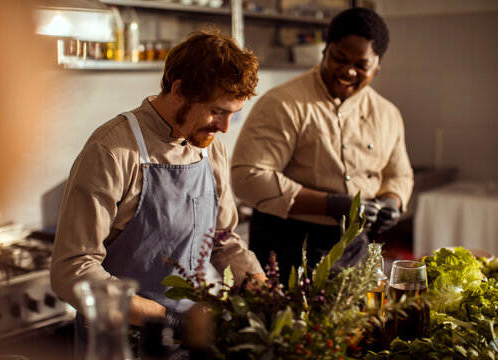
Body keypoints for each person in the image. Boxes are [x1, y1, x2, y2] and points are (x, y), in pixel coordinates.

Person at [50, 29, 266, 358]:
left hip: (194, 337)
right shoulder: (112, 150)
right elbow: (73, 269)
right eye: (218, 111)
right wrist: (165, 319)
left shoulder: (210, 149)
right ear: (178, 90)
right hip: (123, 340)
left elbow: (223, 238)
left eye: (232, 114)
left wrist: (261, 288)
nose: (224, 127)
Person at [230, 7, 414, 284]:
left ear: (377, 67)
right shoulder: (283, 103)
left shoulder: (387, 113)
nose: (349, 71)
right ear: (325, 50)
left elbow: (399, 174)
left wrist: (392, 201)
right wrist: (329, 204)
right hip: (286, 247)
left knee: (354, 327)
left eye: (362, 65)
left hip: (354, 250)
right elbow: (247, 178)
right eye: (340, 58)